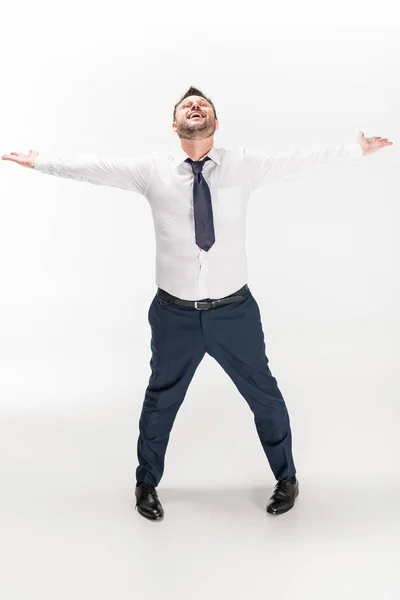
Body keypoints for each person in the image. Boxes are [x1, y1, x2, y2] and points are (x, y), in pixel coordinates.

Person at [2, 86, 393, 522]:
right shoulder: (152, 171)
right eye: (186, 105)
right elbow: (95, 169)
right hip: (174, 315)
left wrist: (354, 150)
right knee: (160, 400)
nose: (195, 106)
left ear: (214, 123)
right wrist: (39, 162)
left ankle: (287, 477)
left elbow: (297, 161)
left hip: (234, 312)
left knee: (264, 395)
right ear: (175, 125)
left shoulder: (242, 165)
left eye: (203, 104)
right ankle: (146, 482)